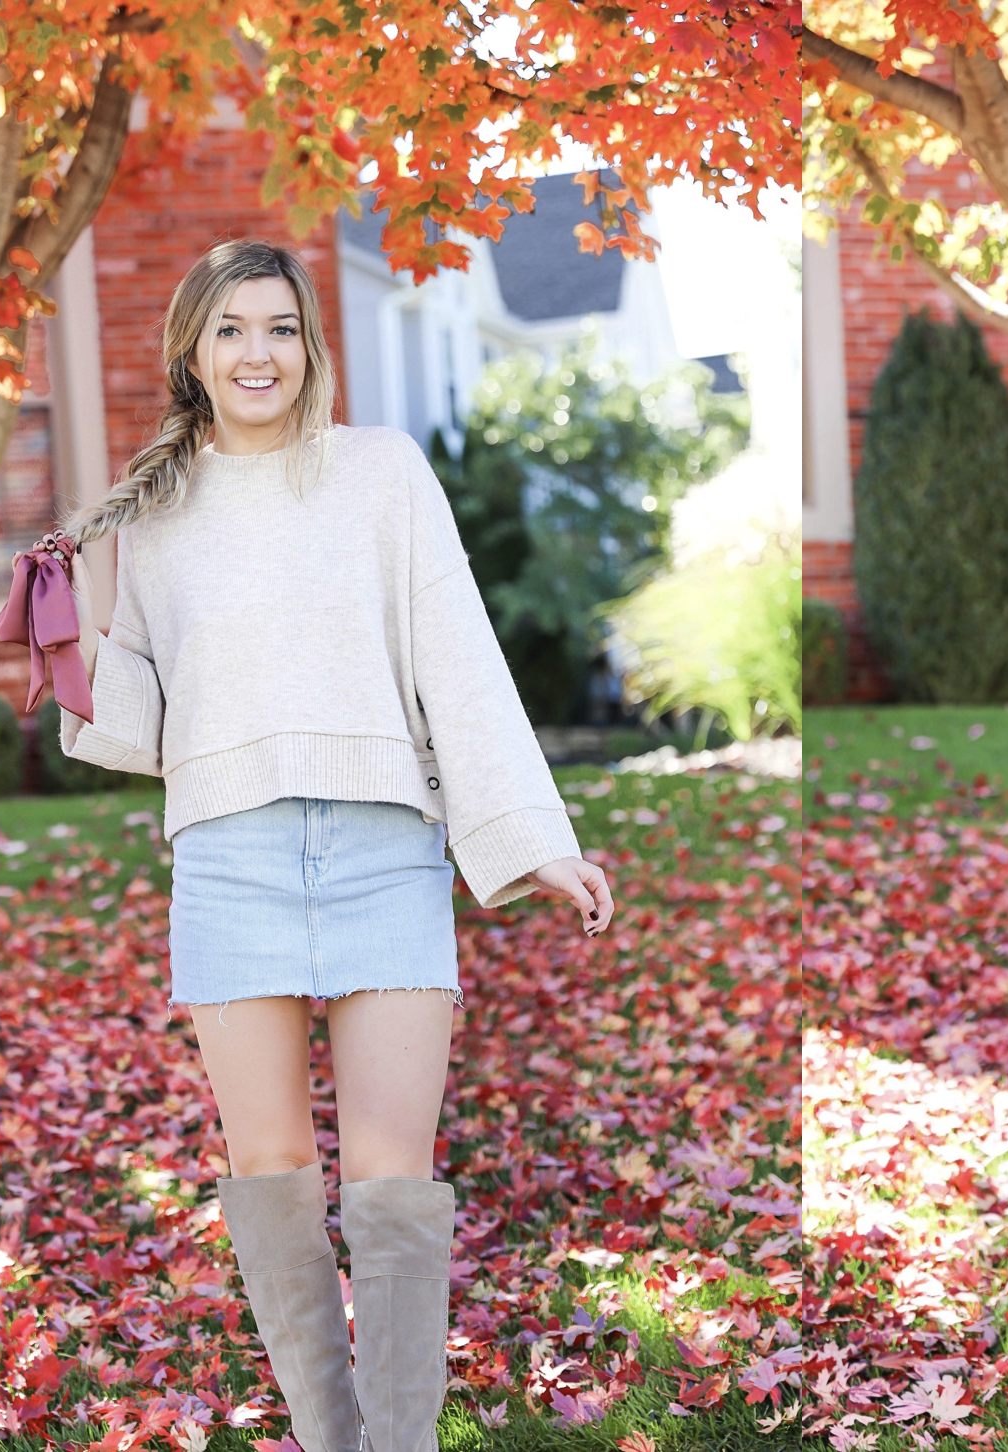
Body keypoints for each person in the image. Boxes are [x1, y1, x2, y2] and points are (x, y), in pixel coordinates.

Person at [45, 238, 616, 1452]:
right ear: (193, 357)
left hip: (383, 849)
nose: (260, 353)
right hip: (230, 857)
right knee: (267, 1166)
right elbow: (156, 720)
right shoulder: (157, 512)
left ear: (311, 347)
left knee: (391, 1174)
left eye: (282, 328)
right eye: (233, 332)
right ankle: (330, 1437)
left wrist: (531, 839)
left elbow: (453, 652)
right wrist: (66, 650)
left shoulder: (379, 474)